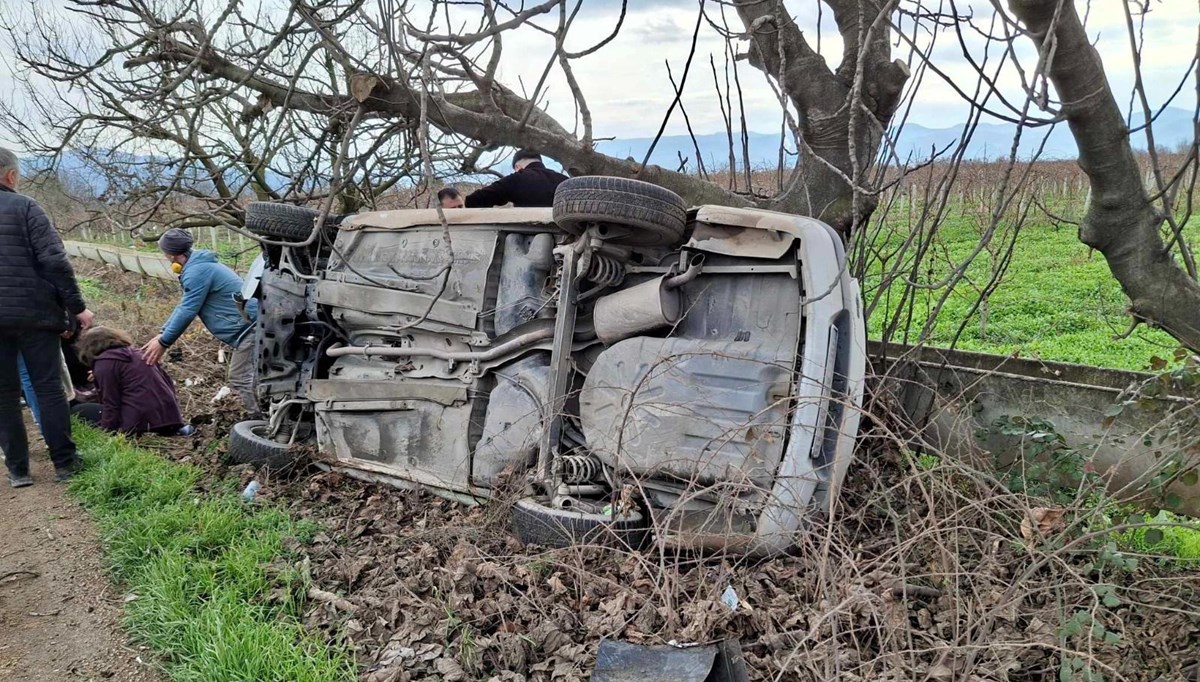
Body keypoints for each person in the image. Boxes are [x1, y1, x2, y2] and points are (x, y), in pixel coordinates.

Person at [0, 147, 95, 487]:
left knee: (4, 394)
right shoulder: (26, 207)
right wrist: (76, 307)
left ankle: (18, 470)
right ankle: (65, 464)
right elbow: (55, 261)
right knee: (48, 388)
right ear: (11, 176)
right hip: (34, 314)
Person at [140, 228, 260, 417]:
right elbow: (184, 305)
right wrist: (163, 332)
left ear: (171, 255)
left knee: (240, 379)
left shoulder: (197, 271)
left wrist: (164, 342)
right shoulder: (199, 265)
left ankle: (259, 427)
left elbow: (188, 310)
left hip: (250, 329)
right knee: (252, 377)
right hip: (250, 326)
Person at [73, 327, 194, 437]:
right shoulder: (138, 353)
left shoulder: (104, 363)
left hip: (138, 420)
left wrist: (108, 432)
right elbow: (166, 382)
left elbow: (110, 402)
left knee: (79, 410)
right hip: (169, 417)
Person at [464, 149, 568, 208]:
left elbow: (473, 200)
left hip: (525, 240)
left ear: (517, 167)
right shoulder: (564, 180)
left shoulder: (517, 179)